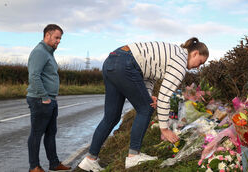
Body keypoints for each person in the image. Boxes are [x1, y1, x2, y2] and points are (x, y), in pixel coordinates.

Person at [78, 37, 209, 171]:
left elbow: (149, 74)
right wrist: (164, 129)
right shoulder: (180, 62)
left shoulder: (173, 52)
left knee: (111, 117)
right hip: (126, 64)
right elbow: (164, 97)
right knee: (146, 109)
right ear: (195, 53)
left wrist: (147, 95)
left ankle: (90, 159)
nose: (197, 67)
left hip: (112, 61)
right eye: (200, 62)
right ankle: (134, 156)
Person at [26, 24, 71, 172]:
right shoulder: (40, 52)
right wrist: (44, 97)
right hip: (40, 100)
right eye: (56, 37)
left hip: (50, 100)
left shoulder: (49, 53)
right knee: (36, 134)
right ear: (47, 35)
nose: (59, 41)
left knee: (51, 133)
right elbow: (34, 76)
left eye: (60, 38)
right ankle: (34, 167)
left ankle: (54, 163)